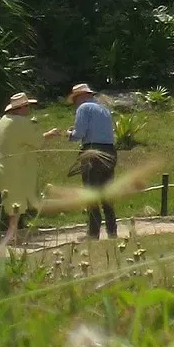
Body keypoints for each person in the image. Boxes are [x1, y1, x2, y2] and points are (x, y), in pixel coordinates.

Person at [45, 82, 118, 240]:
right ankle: (112, 231)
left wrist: (68, 133)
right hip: (110, 151)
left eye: (76, 99)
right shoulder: (104, 109)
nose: (75, 103)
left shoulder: (83, 108)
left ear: (81, 97)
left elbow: (79, 134)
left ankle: (93, 232)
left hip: (92, 152)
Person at [0, 92, 42, 244]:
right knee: (16, 201)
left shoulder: (2, 121)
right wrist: (46, 133)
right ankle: (10, 236)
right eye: (26, 106)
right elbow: (37, 142)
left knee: (12, 201)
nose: (28, 109)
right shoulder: (22, 123)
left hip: (2, 165)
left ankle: (13, 234)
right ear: (20, 108)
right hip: (16, 167)